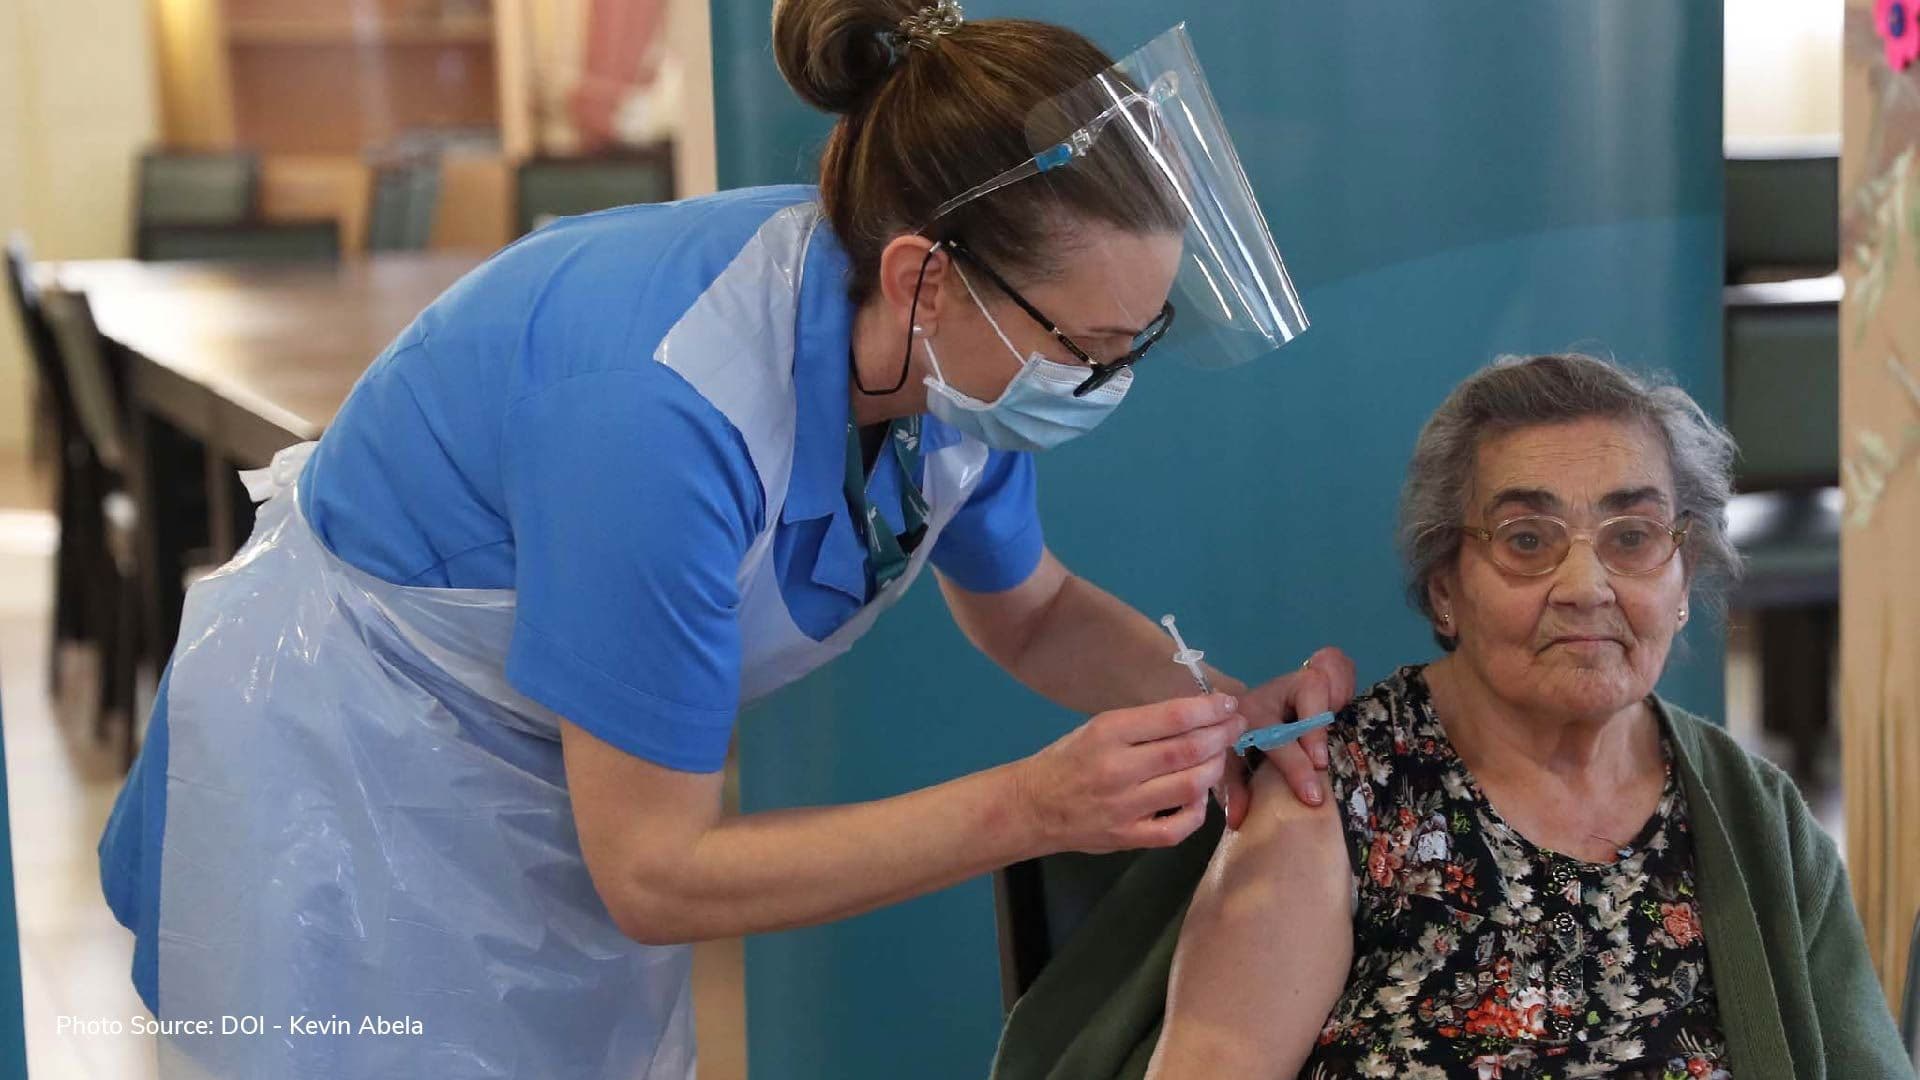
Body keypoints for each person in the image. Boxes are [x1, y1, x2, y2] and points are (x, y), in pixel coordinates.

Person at [96, 1, 1350, 1076]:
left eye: (1134, 346)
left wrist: (1226, 709)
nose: (1100, 385)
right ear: (922, 277)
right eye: (1083, 350)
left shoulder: (948, 364)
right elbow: (656, 875)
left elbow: (1033, 609)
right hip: (361, 766)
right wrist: (1032, 806)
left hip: (568, 775)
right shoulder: (664, 410)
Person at [990, 354, 1913, 1080]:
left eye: (1632, 538)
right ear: (1445, 591)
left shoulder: (1758, 822)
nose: (1586, 586)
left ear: (1681, 582)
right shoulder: (1333, 795)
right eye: (1526, 541)